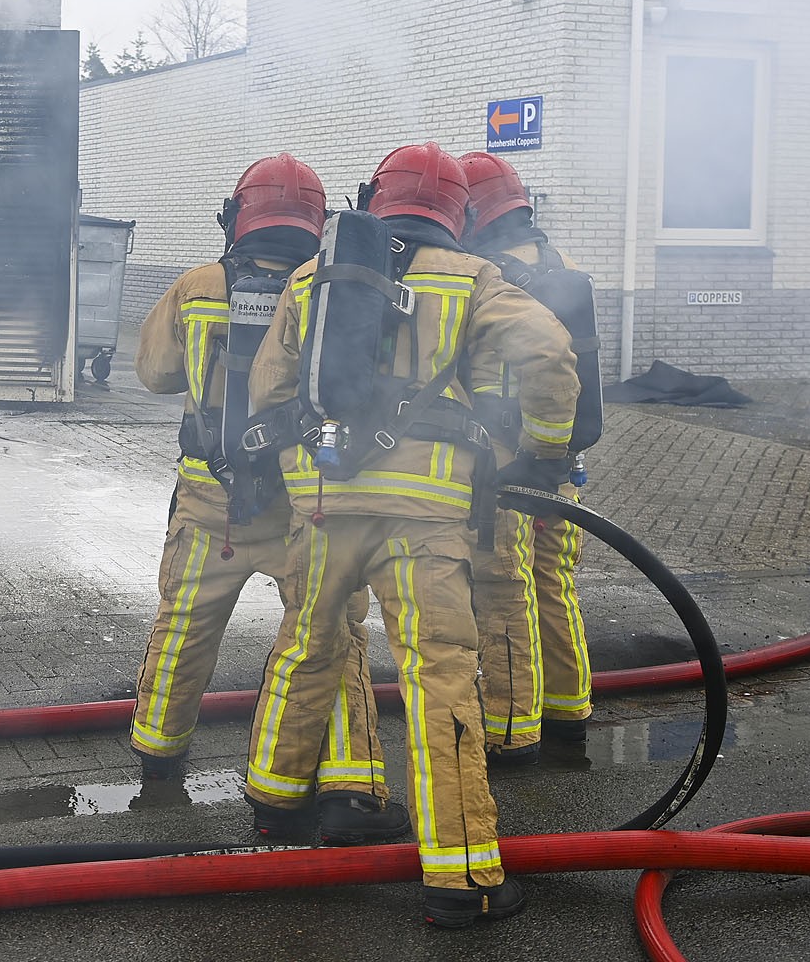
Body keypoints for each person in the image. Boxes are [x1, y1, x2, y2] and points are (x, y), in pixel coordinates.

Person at [240, 142, 578, 927]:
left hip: (323, 501)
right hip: (424, 518)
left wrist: (293, 476)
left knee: (307, 643)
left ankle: (277, 801)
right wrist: (546, 449)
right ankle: (462, 877)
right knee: (439, 674)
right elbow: (551, 350)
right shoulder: (473, 278)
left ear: (377, 197)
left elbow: (270, 389)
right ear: (456, 213)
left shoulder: (311, 275)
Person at [131, 153, 409, 846]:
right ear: (317, 218)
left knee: (184, 625)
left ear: (236, 217)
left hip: (210, 501)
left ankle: (159, 753)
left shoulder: (197, 285)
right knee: (329, 637)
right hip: (308, 505)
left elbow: (156, 374)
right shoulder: (332, 285)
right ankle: (348, 789)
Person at [460, 151, 595, 756]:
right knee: (553, 584)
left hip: (503, 463)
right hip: (561, 463)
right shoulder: (564, 267)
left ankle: (513, 731)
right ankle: (568, 716)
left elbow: (476, 375)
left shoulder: (482, 276)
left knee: (501, 589)